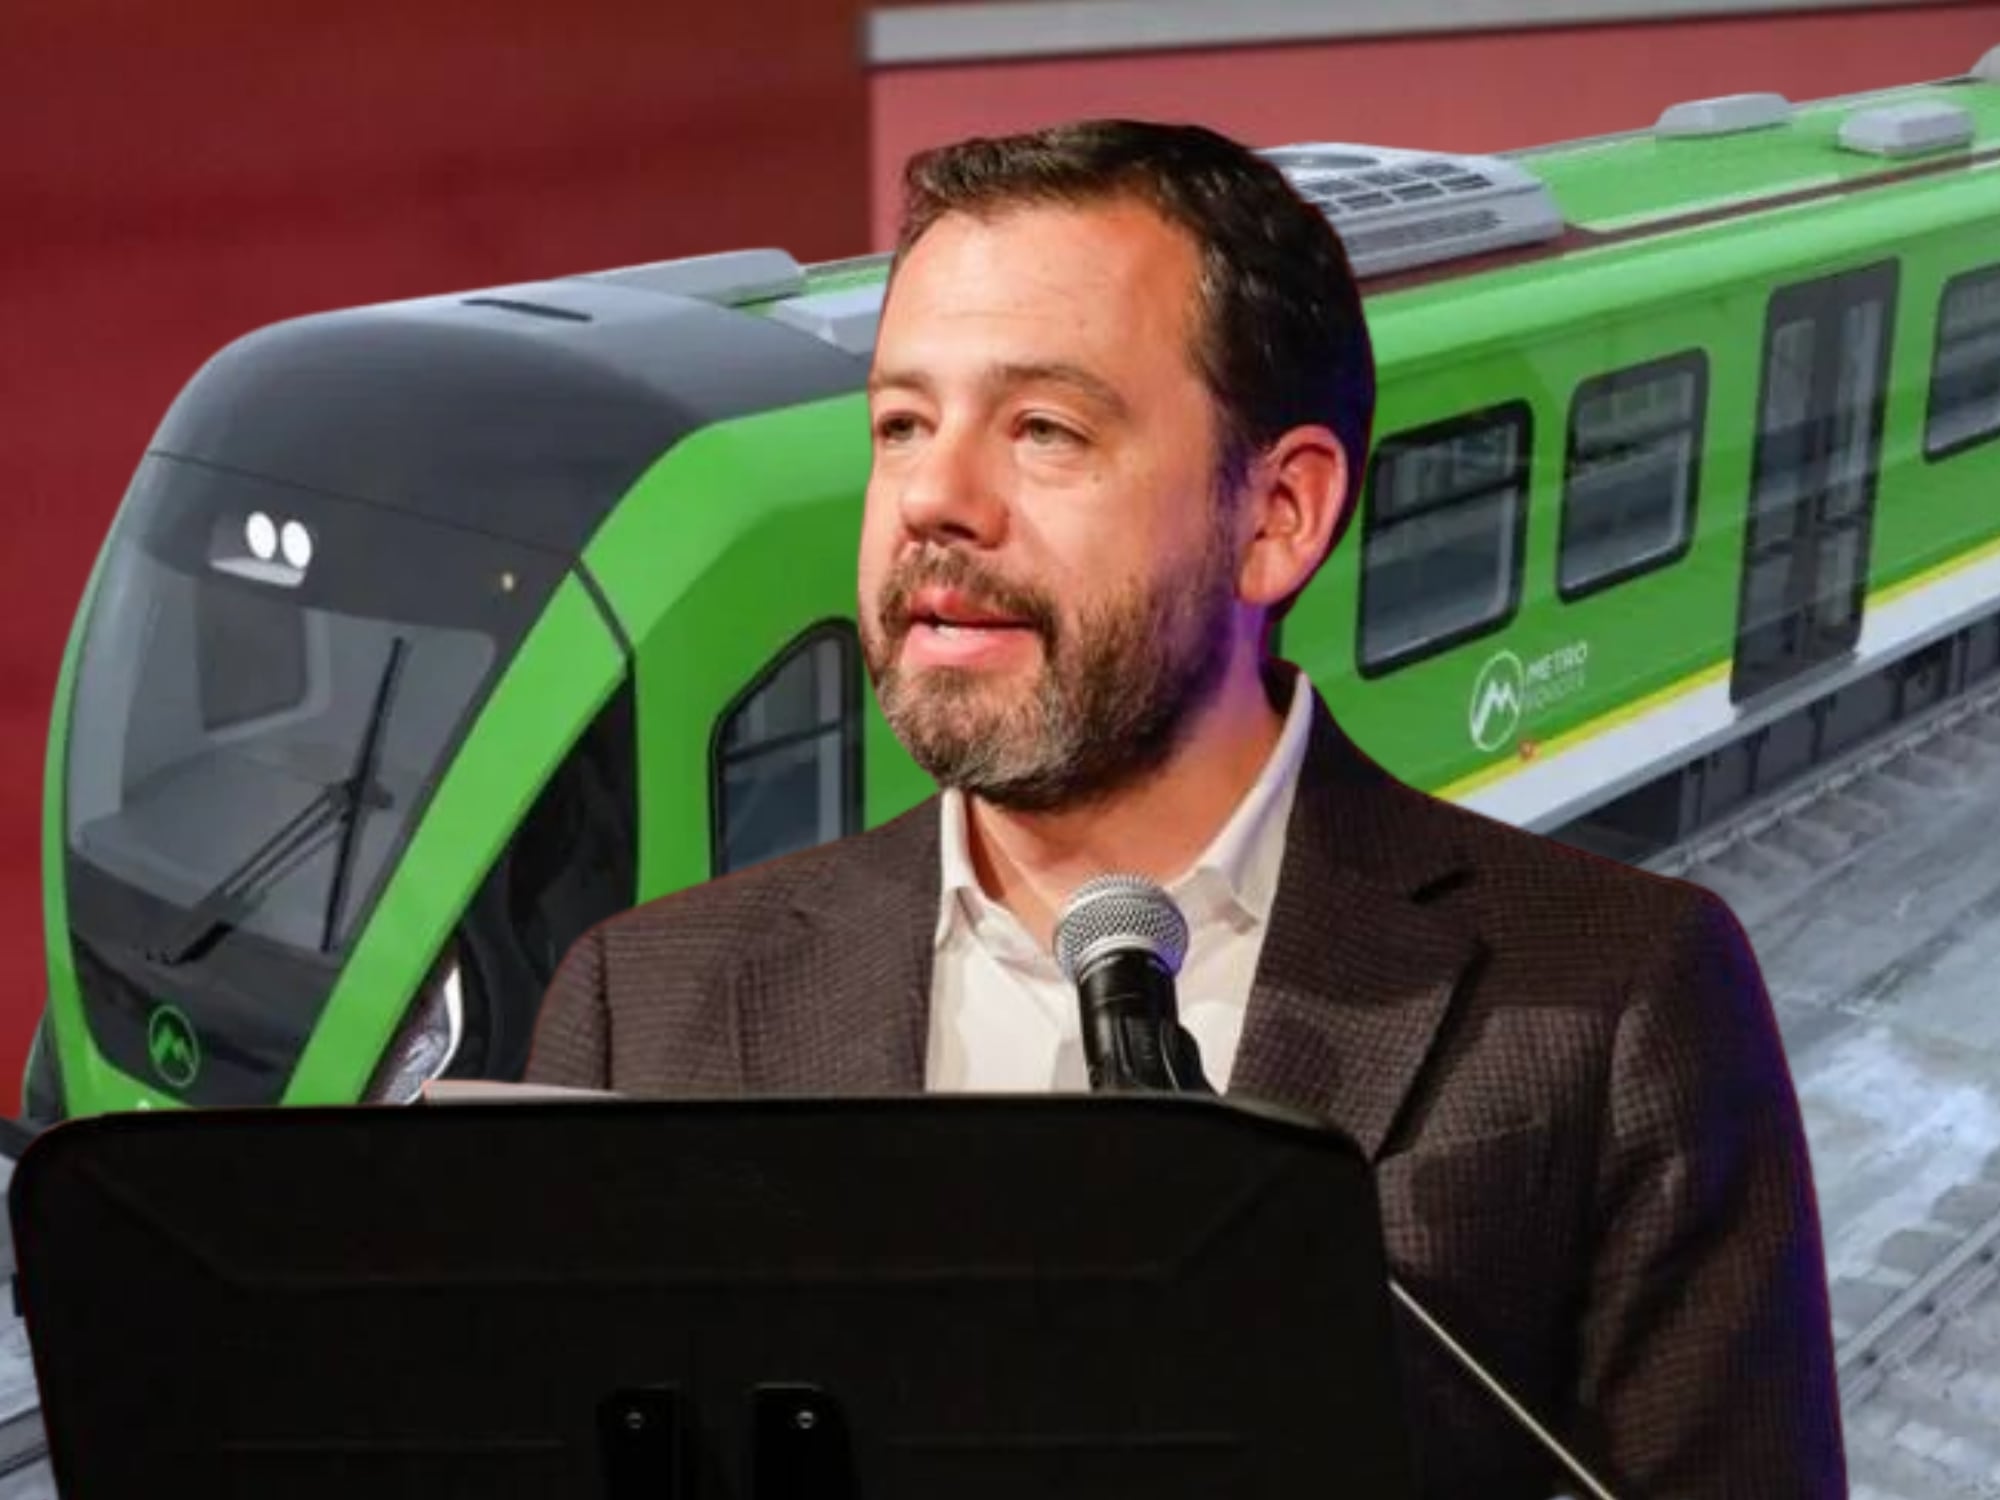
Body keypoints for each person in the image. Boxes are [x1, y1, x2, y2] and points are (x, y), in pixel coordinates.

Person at [528, 119, 1846, 1495]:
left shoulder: (1615, 1004)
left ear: (1277, 514)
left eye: (1043, 428)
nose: (933, 498)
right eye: (902, 424)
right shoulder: (640, 1006)